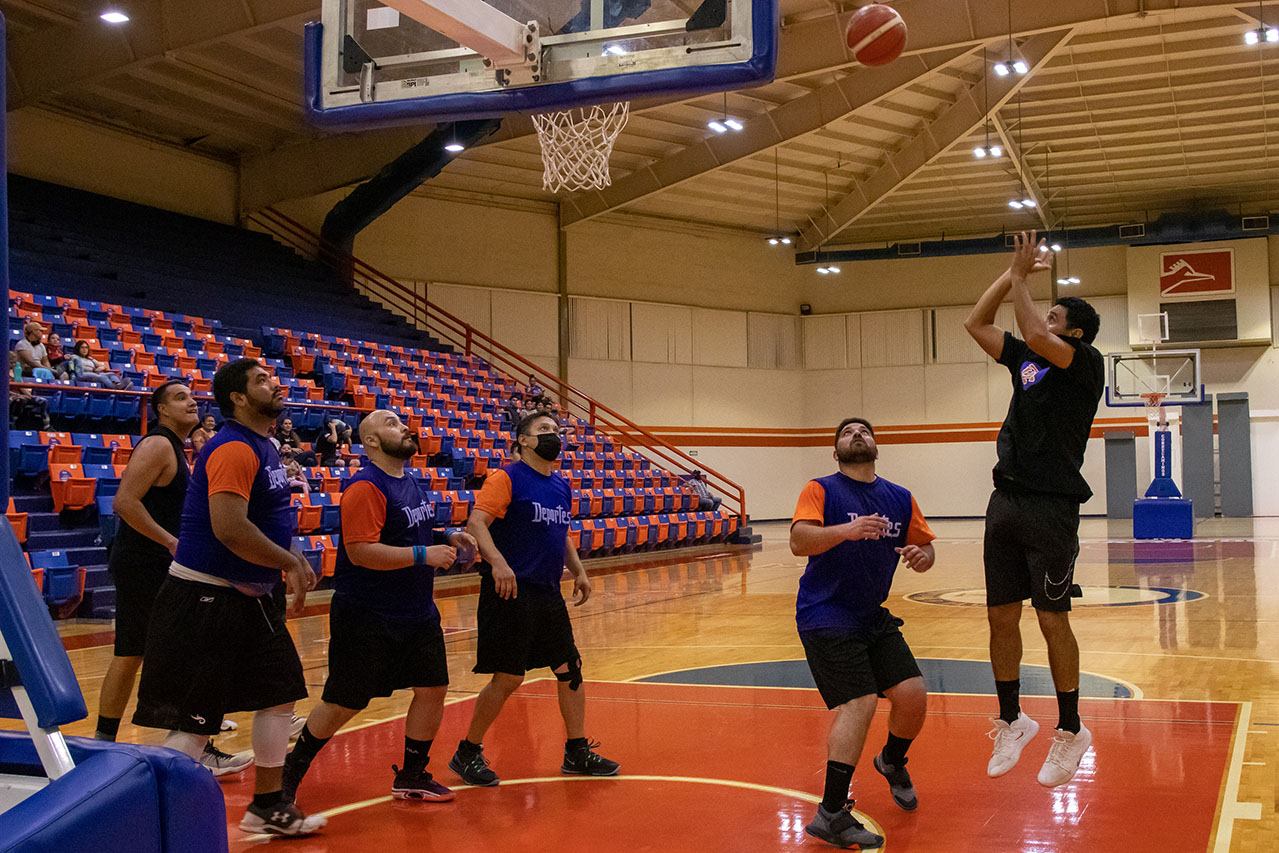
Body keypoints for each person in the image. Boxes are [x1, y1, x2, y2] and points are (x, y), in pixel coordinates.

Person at [131, 359, 325, 836]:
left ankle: (266, 807)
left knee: (281, 696)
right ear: (238, 398)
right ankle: (144, 824)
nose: (274, 384)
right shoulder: (234, 447)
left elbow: (269, 516)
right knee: (195, 724)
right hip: (204, 599)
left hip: (249, 599)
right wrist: (290, 561)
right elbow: (230, 528)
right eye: (261, 380)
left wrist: (291, 554)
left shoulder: (266, 445)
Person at [964, 231, 1104, 788]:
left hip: (1052, 507)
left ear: (1074, 330)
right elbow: (977, 324)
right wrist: (1009, 273)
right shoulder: (1028, 358)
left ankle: (1071, 728)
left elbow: (1030, 330)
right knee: (1001, 615)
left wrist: (1023, 280)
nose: (1043, 319)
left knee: (1051, 617)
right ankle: (1012, 718)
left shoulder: (1085, 362)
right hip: (1007, 500)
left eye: (1054, 314)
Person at [282, 410, 479, 804]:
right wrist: (425, 554)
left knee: (433, 688)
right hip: (368, 614)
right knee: (342, 702)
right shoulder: (366, 486)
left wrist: (450, 535)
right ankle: (287, 777)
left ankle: (412, 774)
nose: (404, 427)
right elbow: (360, 552)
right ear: (370, 441)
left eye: (400, 423)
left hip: (416, 611)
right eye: (391, 424)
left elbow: (410, 531)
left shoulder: (408, 479)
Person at [449, 411, 619, 785]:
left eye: (556, 431)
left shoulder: (559, 484)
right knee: (508, 678)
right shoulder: (506, 477)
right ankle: (467, 752)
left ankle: (576, 751)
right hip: (510, 592)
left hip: (546, 592)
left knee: (569, 669)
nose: (553, 436)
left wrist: (579, 570)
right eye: (544, 430)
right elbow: (476, 523)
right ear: (523, 440)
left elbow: (563, 533)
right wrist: (498, 563)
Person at [790, 417, 935, 850]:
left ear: (876, 447)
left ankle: (891, 761)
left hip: (870, 615)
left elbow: (926, 547)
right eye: (848, 432)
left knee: (913, 695)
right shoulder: (821, 489)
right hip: (825, 611)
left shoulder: (900, 498)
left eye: (864, 431)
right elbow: (800, 540)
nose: (857, 434)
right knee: (861, 701)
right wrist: (847, 531)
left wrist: (921, 556)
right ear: (837, 452)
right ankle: (831, 812)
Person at [93, 381, 250, 775]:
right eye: (180, 397)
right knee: (175, 652)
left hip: (147, 564)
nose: (191, 401)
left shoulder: (177, 448)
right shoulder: (159, 445)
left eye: (192, 396)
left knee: (133, 653)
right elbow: (123, 502)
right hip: (144, 564)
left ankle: (104, 741)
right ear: (161, 409)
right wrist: (170, 542)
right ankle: (192, 744)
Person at [65, 340, 133, 390]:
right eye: (82, 348)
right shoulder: (74, 357)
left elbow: (103, 366)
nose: (84, 350)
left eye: (86, 348)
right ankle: (115, 388)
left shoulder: (90, 358)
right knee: (101, 376)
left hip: (93, 374)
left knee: (111, 373)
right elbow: (73, 370)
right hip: (81, 375)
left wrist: (97, 369)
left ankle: (119, 385)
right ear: (78, 349)